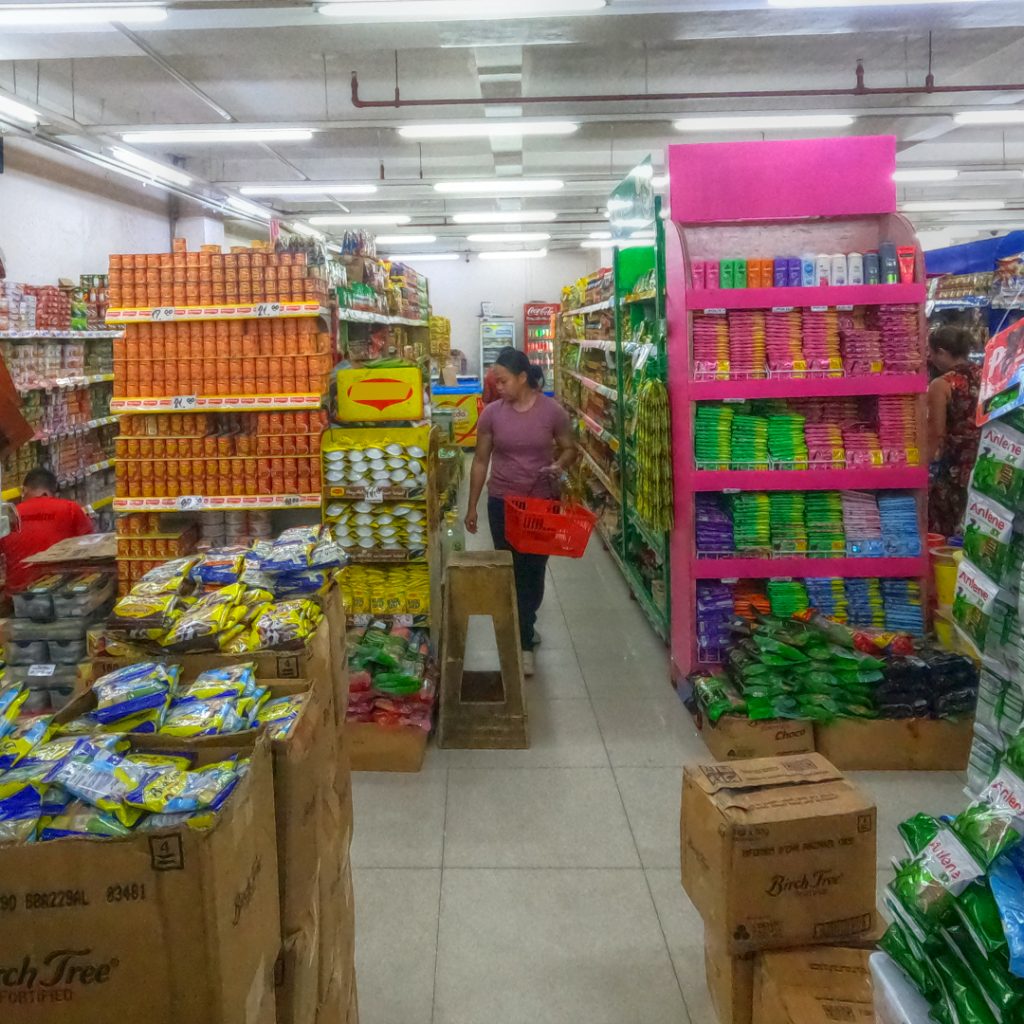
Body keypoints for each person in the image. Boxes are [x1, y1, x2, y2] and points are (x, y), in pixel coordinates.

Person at [465, 348, 577, 676]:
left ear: (523, 377)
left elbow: (569, 448)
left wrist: (558, 465)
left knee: (534, 570)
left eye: (503, 381)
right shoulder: (491, 415)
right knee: (510, 567)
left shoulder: (552, 412)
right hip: (502, 502)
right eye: (495, 382)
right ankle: (523, 639)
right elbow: (480, 461)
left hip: (541, 503)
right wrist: (471, 506)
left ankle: (526, 621)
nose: (498, 387)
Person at [927, 325, 982, 538]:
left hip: (955, 466)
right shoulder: (985, 375)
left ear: (941, 352)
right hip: (985, 455)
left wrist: (923, 466)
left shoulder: (941, 385)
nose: (930, 358)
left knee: (946, 526)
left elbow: (936, 433)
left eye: (931, 353)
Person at [0, 467, 93, 593]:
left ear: (24, 490)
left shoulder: (8, 516)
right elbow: (90, 549)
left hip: (18, 594)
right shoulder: (70, 509)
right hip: (61, 592)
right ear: (50, 492)